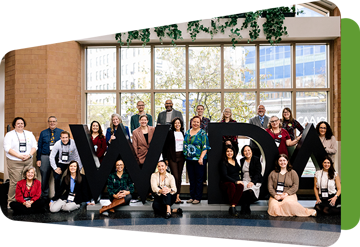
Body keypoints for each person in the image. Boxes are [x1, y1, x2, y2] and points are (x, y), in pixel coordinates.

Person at [4, 117, 37, 206]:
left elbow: (34, 146)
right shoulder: (9, 135)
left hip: (28, 161)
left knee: (26, 181)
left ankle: (23, 200)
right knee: (16, 182)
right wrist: (19, 156)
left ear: (24, 124)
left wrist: (29, 155)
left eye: (22, 123)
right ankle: (11, 201)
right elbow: (7, 148)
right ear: (14, 125)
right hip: (15, 161)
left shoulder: (29, 134)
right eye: (18, 123)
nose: (20, 125)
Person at [184, 116, 211, 204]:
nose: (195, 123)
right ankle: (192, 196)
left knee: (199, 179)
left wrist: (201, 158)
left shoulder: (202, 133)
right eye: (194, 122)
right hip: (189, 159)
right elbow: (185, 145)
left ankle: (198, 198)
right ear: (191, 122)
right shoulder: (187, 132)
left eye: (197, 122)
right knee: (192, 179)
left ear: (200, 124)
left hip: (199, 159)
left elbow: (205, 147)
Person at [36, 116, 64, 200]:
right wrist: (38, 159)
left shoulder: (61, 132)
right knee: (44, 176)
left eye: (54, 121)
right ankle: (44, 195)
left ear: (56, 122)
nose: (52, 123)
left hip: (57, 157)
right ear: (48, 122)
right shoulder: (43, 133)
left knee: (57, 177)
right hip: (45, 156)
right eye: (50, 121)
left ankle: (57, 196)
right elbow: (39, 146)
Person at [163, 117, 185, 204]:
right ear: (173, 124)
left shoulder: (183, 133)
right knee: (175, 176)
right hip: (172, 157)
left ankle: (178, 196)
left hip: (182, 157)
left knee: (179, 177)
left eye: (179, 123)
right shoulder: (170, 133)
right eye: (175, 123)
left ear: (181, 124)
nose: (177, 124)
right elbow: (166, 146)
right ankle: (174, 195)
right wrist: (166, 158)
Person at [220, 145, 244, 216]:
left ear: (233, 152)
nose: (229, 153)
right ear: (225, 152)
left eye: (231, 151)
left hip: (235, 181)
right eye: (227, 151)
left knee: (240, 186)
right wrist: (235, 181)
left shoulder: (235, 160)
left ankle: (232, 206)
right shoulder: (223, 162)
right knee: (232, 185)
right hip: (226, 182)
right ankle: (233, 207)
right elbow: (224, 175)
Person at [238, 145, 263, 214]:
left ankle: (245, 207)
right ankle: (245, 208)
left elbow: (258, 173)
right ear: (243, 152)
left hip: (254, 180)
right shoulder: (242, 160)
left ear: (251, 151)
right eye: (245, 151)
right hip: (244, 180)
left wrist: (252, 182)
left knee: (250, 190)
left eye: (249, 150)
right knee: (243, 189)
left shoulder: (256, 159)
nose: (247, 152)